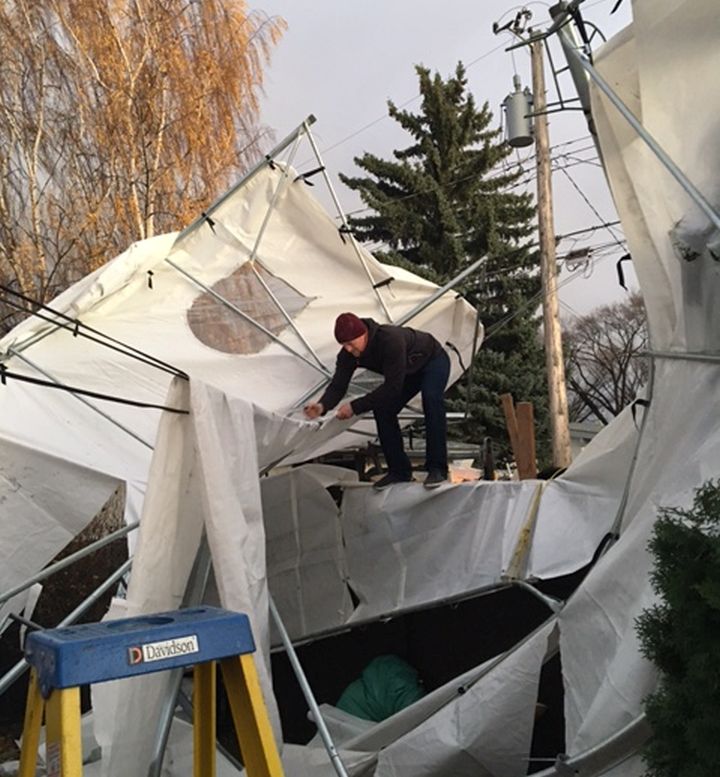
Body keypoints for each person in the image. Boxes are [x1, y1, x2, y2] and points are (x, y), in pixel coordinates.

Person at [304, 312, 451, 490]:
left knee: (431, 399)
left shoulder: (390, 340)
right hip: (407, 372)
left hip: (433, 361)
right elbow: (338, 385)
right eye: (344, 345)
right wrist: (322, 406)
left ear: (363, 334)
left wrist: (354, 406)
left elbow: (392, 388)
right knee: (383, 409)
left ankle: (437, 468)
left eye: (350, 343)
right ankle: (399, 471)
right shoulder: (348, 355)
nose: (348, 349)